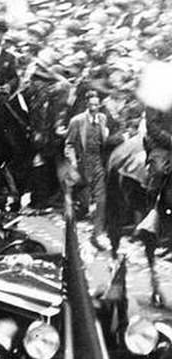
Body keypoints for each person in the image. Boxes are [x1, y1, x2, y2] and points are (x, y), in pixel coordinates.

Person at [65, 86, 113, 244]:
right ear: (86, 105)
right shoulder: (77, 121)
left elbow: (104, 140)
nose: (94, 108)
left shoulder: (103, 119)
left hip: (98, 162)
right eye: (91, 105)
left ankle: (97, 232)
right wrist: (73, 161)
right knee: (83, 202)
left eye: (96, 105)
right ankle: (72, 234)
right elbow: (69, 145)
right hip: (82, 164)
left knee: (101, 198)